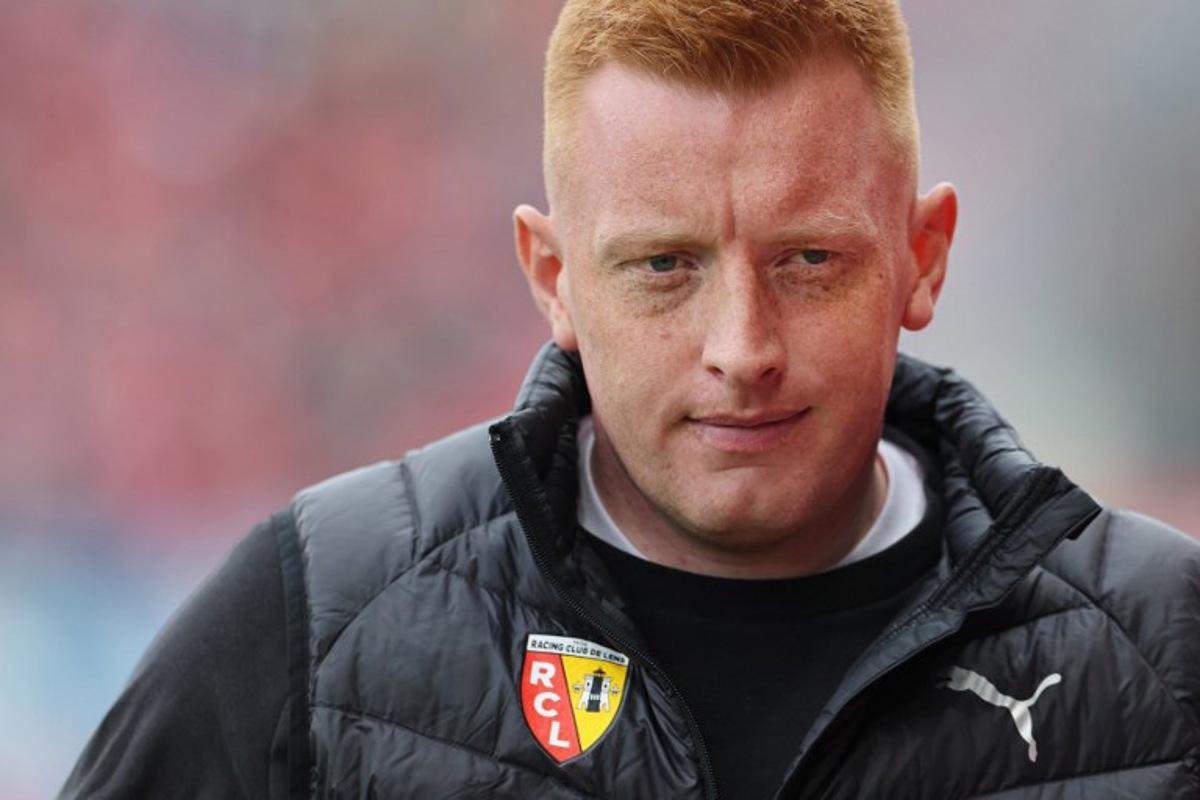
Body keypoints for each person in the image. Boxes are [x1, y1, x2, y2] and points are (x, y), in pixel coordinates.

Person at [61, 1, 1200, 798]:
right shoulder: (309, 626)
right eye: (665, 265)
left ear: (924, 257)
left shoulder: (1166, 647)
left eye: (809, 260)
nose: (742, 348)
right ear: (553, 278)